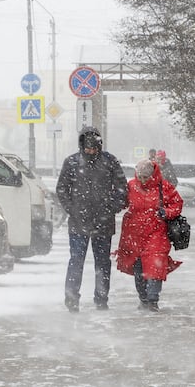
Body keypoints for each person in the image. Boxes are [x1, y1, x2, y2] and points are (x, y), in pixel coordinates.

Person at [56, 126, 128, 312]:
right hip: (78, 222)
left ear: (100, 146)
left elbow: (122, 189)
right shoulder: (72, 162)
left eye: (95, 149)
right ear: (82, 146)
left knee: (102, 262)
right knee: (76, 261)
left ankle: (101, 299)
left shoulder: (110, 161)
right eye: (88, 149)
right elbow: (62, 189)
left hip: (103, 222)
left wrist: (111, 208)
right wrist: (72, 209)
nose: (91, 152)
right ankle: (72, 299)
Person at [116, 159, 184, 312]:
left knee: (155, 265)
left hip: (157, 231)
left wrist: (166, 212)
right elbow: (122, 202)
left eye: (146, 177)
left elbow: (177, 203)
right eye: (140, 176)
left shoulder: (164, 186)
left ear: (153, 175)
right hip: (134, 233)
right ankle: (143, 298)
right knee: (138, 268)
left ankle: (153, 299)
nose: (142, 180)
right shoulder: (131, 186)